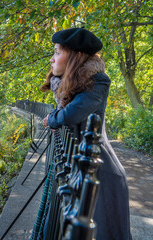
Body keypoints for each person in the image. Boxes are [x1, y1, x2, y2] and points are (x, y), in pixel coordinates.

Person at [41, 28, 131, 240]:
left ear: (75, 56)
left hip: (99, 171)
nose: (52, 60)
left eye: (57, 52)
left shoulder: (98, 81)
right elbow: (63, 112)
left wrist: (52, 119)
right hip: (76, 163)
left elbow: (70, 114)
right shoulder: (69, 84)